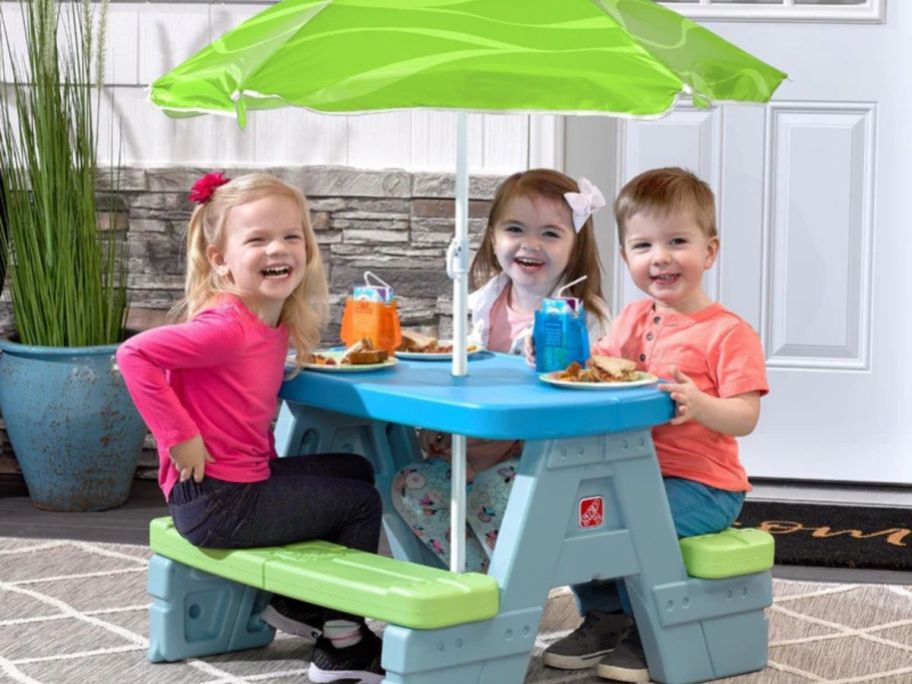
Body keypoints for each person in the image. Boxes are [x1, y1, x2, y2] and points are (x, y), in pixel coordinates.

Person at [116, 172, 385, 684]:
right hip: (218, 502)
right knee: (360, 504)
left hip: (234, 486)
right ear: (220, 259)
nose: (277, 248)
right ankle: (343, 642)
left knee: (354, 470)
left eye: (290, 236)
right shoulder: (227, 327)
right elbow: (134, 355)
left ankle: (299, 604)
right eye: (257, 239)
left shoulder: (266, 321)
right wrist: (178, 435)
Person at [540, 167, 769, 683]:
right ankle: (605, 616)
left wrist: (700, 404)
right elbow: (597, 364)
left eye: (677, 241)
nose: (660, 257)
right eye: (643, 245)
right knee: (578, 518)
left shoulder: (728, 333)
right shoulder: (631, 319)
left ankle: (650, 629)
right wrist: (556, 351)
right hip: (630, 474)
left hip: (703, 486)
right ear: (627, 258)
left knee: (631, 524)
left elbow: (746, 415)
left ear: (709, 252)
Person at [392, 169, 612, 572]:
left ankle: (513, 591)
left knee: (490, 495)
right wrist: (441, 424)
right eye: (515, 229)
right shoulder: (482, 305)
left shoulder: (583, 316)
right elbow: (465, 379)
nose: (530, 244)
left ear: (575, 245)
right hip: (477, 446)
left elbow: (591, 390)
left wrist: (556, 360)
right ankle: (478, 586)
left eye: (550, 233)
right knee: (410, 484)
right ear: (494, 238)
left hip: (544, 456)